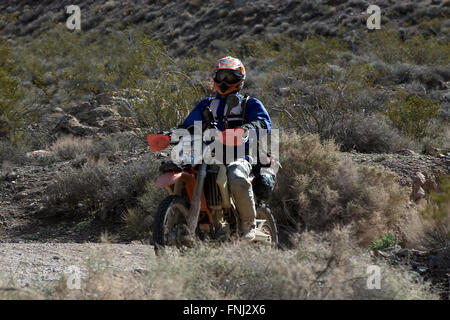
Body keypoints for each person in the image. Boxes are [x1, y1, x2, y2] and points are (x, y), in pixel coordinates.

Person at [179, 56, 274, 241]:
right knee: (185, 170)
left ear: (240, 79)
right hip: (209, 154)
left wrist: (248, 128)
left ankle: (248, 224)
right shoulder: (206, 104)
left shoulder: (249, 103)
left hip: (240, 154)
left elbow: (263, 123)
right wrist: (175, 133)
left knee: (237, 177)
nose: (224, 82)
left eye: (230, 77)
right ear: (214, 77)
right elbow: (189, 124)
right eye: (221, 76)